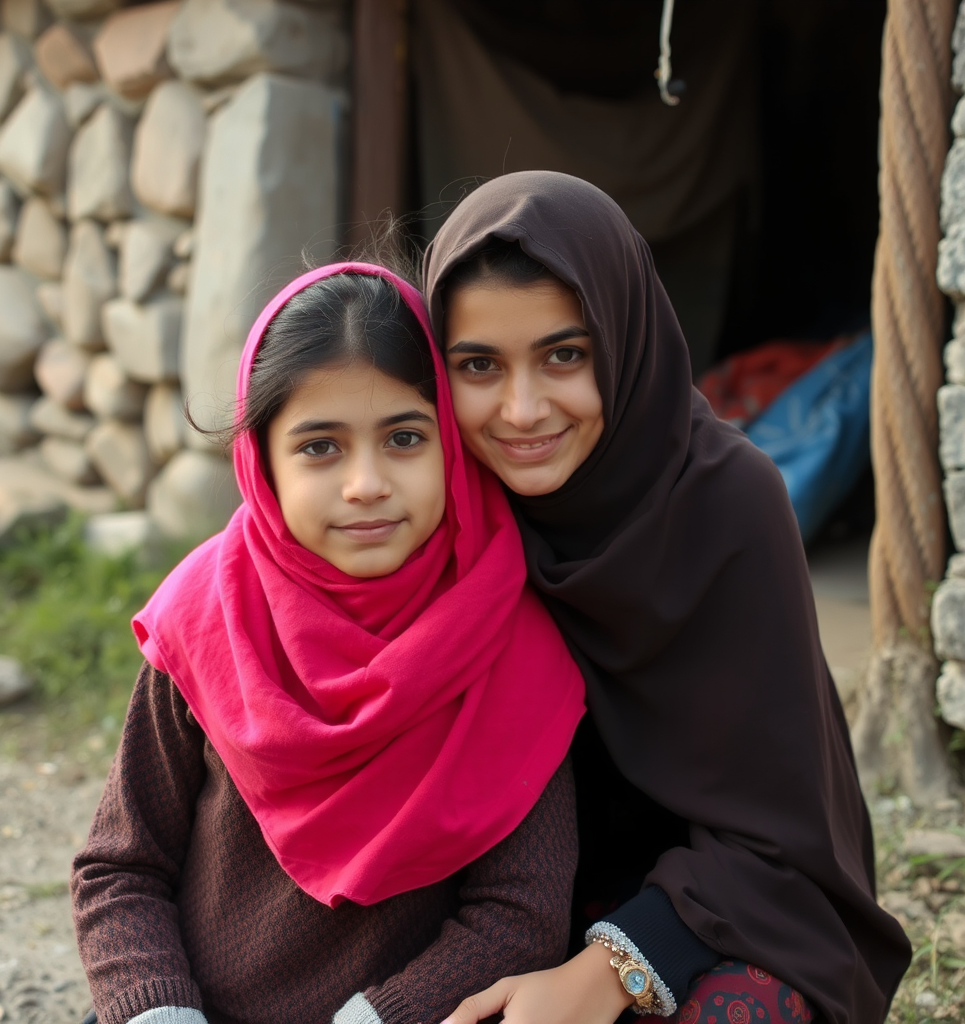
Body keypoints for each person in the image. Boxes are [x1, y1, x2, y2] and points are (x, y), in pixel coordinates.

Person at [420, 171, 912, 1024]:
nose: (523, 409)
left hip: (716, 915)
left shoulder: (726, 505)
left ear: (624, 339)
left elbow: (783, 839)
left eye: (564, 355)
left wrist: (604, 970)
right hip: (499, 917)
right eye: (477, 366)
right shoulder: (444, 515)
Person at [70, 262, 587, 1024]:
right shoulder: (209, 616)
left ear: (453, 444)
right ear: (263, 464)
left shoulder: (511, 646)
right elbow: (121, 866)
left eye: (406, 438)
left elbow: (520, 916)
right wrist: (161, 1012)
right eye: (320, 447)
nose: (366, 484)